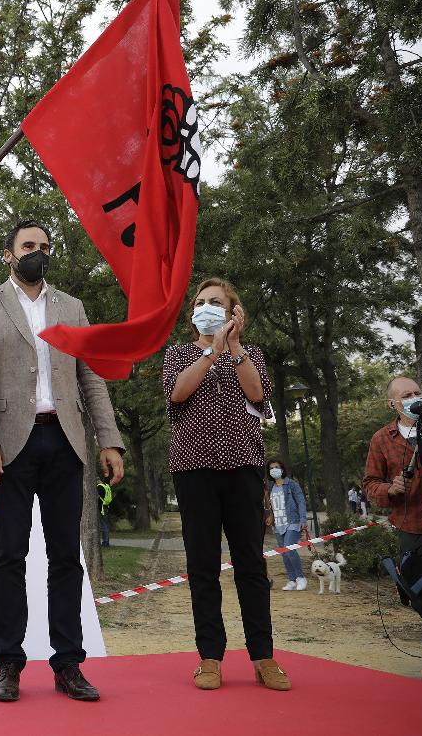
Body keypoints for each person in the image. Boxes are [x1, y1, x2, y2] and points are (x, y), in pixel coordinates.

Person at [0, 220, 125, 704]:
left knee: (65, 557)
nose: (37, 252)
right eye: (28, 245)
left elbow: (91, 376)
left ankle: (68, 663)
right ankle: (8, 662)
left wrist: (109, 440)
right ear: (8, 254)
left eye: (44, 247)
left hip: (66, 442)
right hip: (10, 447)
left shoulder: (72, 307)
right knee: (9, 555)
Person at [163, 277, 290, 692]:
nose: (207, 307)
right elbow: (178, 394)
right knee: (203, 566)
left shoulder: (249, 353)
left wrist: (232, 348)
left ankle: (264, 657)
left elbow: (258, 394)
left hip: (242, 467)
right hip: (193, 468)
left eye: (216, 302)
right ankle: (210, 657)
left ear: (235, 311)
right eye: (200, 303)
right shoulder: (178, 353)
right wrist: (208, 353)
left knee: (251, 564)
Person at [362, 377, 422, 564]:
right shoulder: (381, 439)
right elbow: (370, 484)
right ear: (392, 403)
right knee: (417, 588)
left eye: (417, 393)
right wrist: (390, 489)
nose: (414, 398)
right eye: (407, 395)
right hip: (409, 529)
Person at [265, 458, 308, 591]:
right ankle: (292, 579)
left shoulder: (291, 484)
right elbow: (271, 505)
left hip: (292, 522)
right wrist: (271, 516)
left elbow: (301, 501)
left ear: (282, 469)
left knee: (289, 549)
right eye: (271, 468)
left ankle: (301, 578)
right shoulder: (271, 487)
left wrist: (303, 520)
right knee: (284, 553)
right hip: (278, 525)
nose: (274, 470)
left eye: (276, 467)